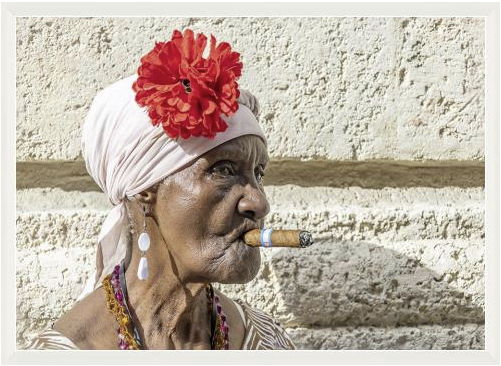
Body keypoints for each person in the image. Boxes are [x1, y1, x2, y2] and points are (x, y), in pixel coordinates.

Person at [25, 29, 296, 350]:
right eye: (223, 170)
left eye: (258, 173)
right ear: (145, 191)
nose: (258, 202)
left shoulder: (265, 342)